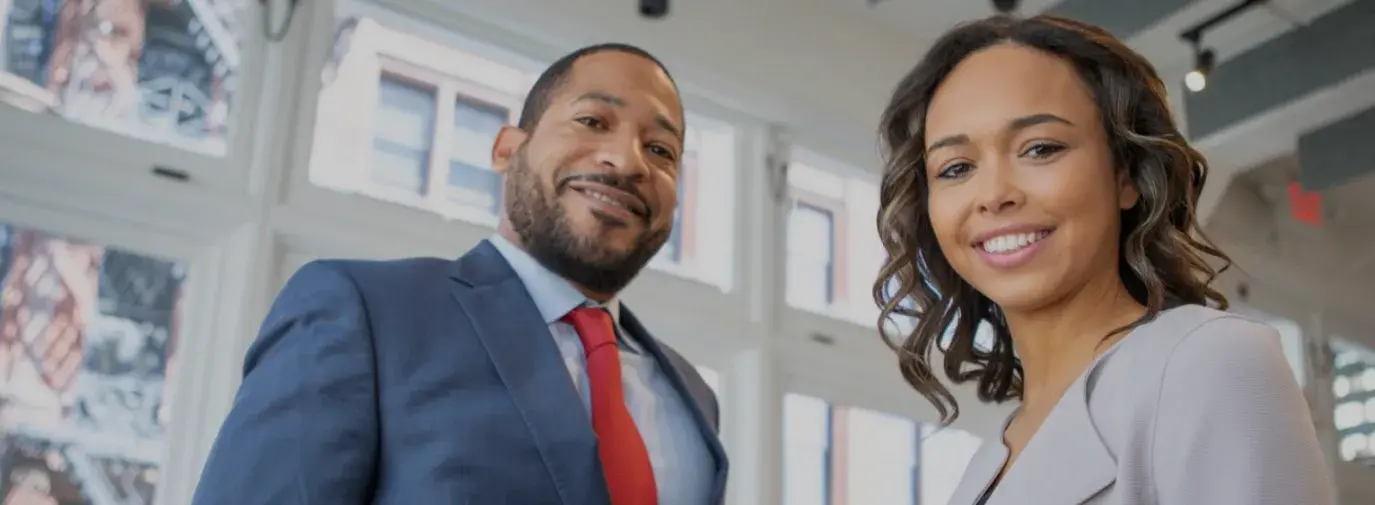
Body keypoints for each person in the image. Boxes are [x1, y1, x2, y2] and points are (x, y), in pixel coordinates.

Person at [191, 43, 728, 505]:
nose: (629, 160)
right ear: (507, 151)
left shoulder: (694, 397)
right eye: (593, 121)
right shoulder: (361, 313)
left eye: (661, 150)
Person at [872, 14, 1331, 505]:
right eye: (957, 168)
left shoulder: (1211, 362)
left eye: (1040, 148)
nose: (994, 195)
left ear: (1126, 176)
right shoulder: (991, 459)